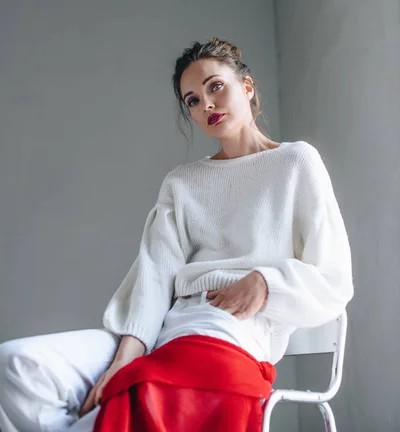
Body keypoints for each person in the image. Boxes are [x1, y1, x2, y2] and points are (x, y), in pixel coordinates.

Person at [0, 37, 354, 432]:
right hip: (164, 332)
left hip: (228, 333)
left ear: (247, 87)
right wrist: (123, 361)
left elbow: (333, 276)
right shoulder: (183, 182)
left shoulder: (295, 162)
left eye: (214, 87)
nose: (206, 105)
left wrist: (266, 283)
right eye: (192, 100)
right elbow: (154, 278)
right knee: (17, 368)